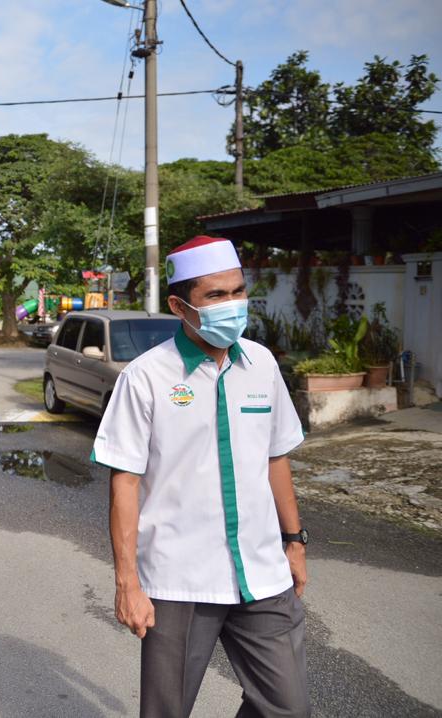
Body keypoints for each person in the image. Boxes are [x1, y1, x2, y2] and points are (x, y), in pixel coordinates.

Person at [94, 236, 310, 718]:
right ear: (179, 305)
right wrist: (128, 581)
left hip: (260, 573)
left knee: (288, 708)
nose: (231, 305)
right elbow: (124, 483)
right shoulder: (146, 377)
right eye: (215, 296)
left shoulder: (262, 365)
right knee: (167, 712)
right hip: (179, 580)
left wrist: (293, 542)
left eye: (237, 291)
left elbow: (276, 457)